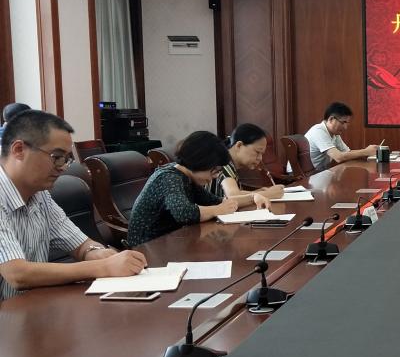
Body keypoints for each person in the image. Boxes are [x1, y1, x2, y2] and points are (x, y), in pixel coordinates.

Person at [0, 111, 146, 300]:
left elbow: (81, 245)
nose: (62, 167)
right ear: (19, 150)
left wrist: (97, 253)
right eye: (56, 157)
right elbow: (17, 274)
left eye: (67, 159)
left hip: (32, 307)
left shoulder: (41, 195)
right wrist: (103, 267)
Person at [125, 131, 239, 247]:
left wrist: (235, 202)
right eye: (215, 170)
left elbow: (214, 201)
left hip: (170, 242)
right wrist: (217, 209)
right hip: (146, 248)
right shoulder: (169, 177)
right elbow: (184, 213)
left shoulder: (187, 177)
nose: (216, 176)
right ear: (201, 162)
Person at [212, 123, 284, 208]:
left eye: (262, 154)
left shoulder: (229, 162)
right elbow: (233, 196)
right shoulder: (223, 163)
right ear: (239, 145)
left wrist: (259, 192)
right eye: (257, 152)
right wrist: (269, 194)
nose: (260, 158)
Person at [304, 102, 378, 171]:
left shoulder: (335, 134)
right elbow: (338, 157)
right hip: (308, 176)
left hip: (321, 172)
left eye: (347, 123)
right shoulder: (318, 131)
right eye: (343, 122)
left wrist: (368, 150)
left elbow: (347, 152)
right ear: (331, 119)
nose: (345, 127)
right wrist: (366, 151)